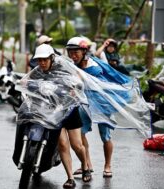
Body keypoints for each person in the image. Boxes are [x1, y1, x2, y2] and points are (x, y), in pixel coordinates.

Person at [65, 36, 152, 179]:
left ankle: (107, 165)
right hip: (85, 103)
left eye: (76, 52)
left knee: (105, 136)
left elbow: (82, 80)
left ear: (84, 52)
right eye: (70, 52)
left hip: (102, 104)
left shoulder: (93, 67)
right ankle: (86, 164)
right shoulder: (75, 65)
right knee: (80, 133)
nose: (73, 55)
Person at [18, 44, 92, 189]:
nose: (42, 63)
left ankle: (85, 165)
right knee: (63, 144)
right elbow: (26, 80)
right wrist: (22, 83)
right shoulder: (38, 70)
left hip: (69, 108)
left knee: (77, 145)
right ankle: (70, 177)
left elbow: (78, 80)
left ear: (51, 58)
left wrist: (74, 89)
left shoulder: (63, 66)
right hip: (52, 111)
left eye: (45, 60)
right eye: (39, 60)